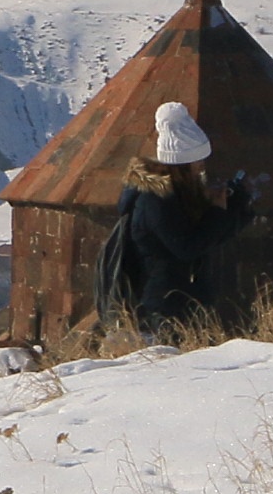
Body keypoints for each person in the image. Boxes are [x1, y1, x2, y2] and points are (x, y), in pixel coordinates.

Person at [95, 100, 256, 336]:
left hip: (178, 301)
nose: (201, 167)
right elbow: (188, 247)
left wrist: (236, 207)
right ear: (182, 165)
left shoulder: (177, 195)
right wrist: (217, 211)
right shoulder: (156, 200)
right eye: (197, 162)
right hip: (159, 307)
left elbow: (210, 237)